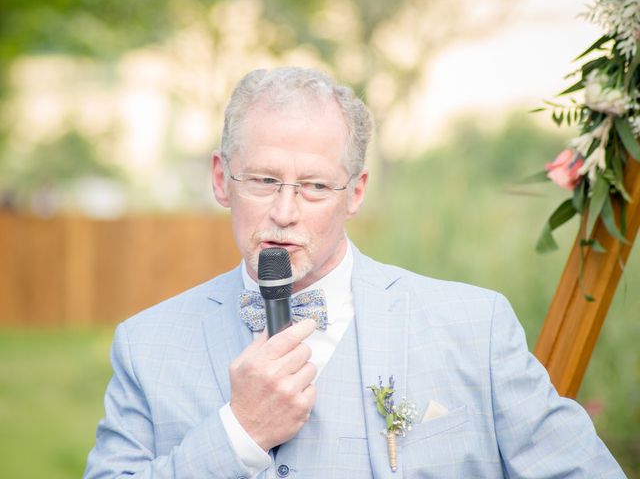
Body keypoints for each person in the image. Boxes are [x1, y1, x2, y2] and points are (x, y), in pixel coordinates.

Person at [84, 67, 624, 478]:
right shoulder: (144, 345)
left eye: (316, 186)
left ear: (356, 193)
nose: (286, 211)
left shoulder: (474, 326)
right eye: (264, 180)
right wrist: (238, 433)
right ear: (222, 179)